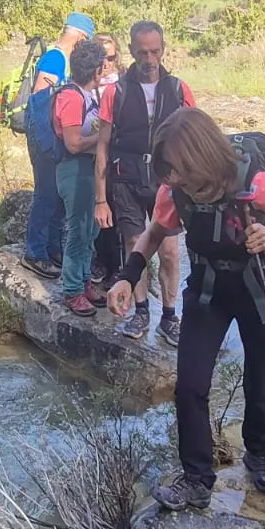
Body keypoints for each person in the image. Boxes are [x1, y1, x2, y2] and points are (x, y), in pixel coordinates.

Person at [107, 109, 265, 510]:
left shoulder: (255, 184)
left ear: (203, 161)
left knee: (260, 377)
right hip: (209, 290)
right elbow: (154, 232)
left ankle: (259, 455)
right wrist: (128, 276)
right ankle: (196, 479)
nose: (173, 181)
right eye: (167, 172)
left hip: (261, 290)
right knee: (191, 387)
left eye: (180, 172)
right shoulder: (173, 189)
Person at [94, 21, 196, 346]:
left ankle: (169, 317)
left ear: (163, 49)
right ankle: (140, 311)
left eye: (154, 51)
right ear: (132, 51)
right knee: (134, 244)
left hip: (167, 182)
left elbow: (196, 140)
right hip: (126, 180)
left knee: (168, 251)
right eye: (142, 52)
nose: (149, 59)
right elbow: (102, 146)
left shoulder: (179, 89)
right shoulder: (117, 91)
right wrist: (100, 199)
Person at [21, 12, 95, 280]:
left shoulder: (58, 57)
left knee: (55, 196)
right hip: (45, 138)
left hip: (51, 137)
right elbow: (40, 99)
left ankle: (53, 249)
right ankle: (35, 254)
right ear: (80, 36)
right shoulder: (55, 58)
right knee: (46, 194)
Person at [52, 38, 109, 315]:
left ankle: (84, 280)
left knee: (90, 229)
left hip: (87, 169)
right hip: (74, 169)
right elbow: (73, 143)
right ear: (96, 70)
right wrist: (104, 137)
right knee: (78, 230)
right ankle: (73, 290)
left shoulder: (87, 95)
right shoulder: (72, 97)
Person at [90, 32, 123, 285]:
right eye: (102, 57)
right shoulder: (84, 83)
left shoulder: (122, 84)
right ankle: (100, 262)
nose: (107, 63)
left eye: (111, 57)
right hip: (90, 156)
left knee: (115, 212)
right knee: (97, 212)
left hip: (117, 158)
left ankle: (116, 268)